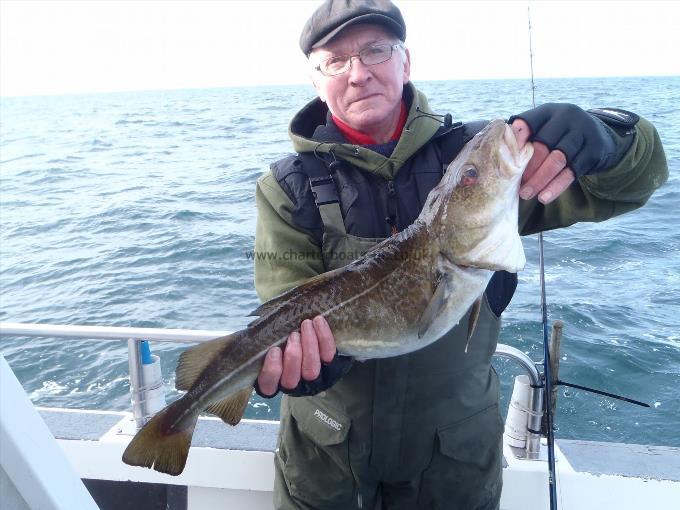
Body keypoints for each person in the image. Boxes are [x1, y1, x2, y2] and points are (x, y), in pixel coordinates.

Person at [252, 1, 668, 508]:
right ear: (315, 80)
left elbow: (633, 184)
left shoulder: (478, 160)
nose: (358, 74)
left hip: (453, 459)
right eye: (335, 61)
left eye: (375, 51)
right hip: (327, 454)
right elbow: (285, 305)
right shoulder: (288, 188)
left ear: (406, 62)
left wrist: (606, 136)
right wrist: (310, 363)